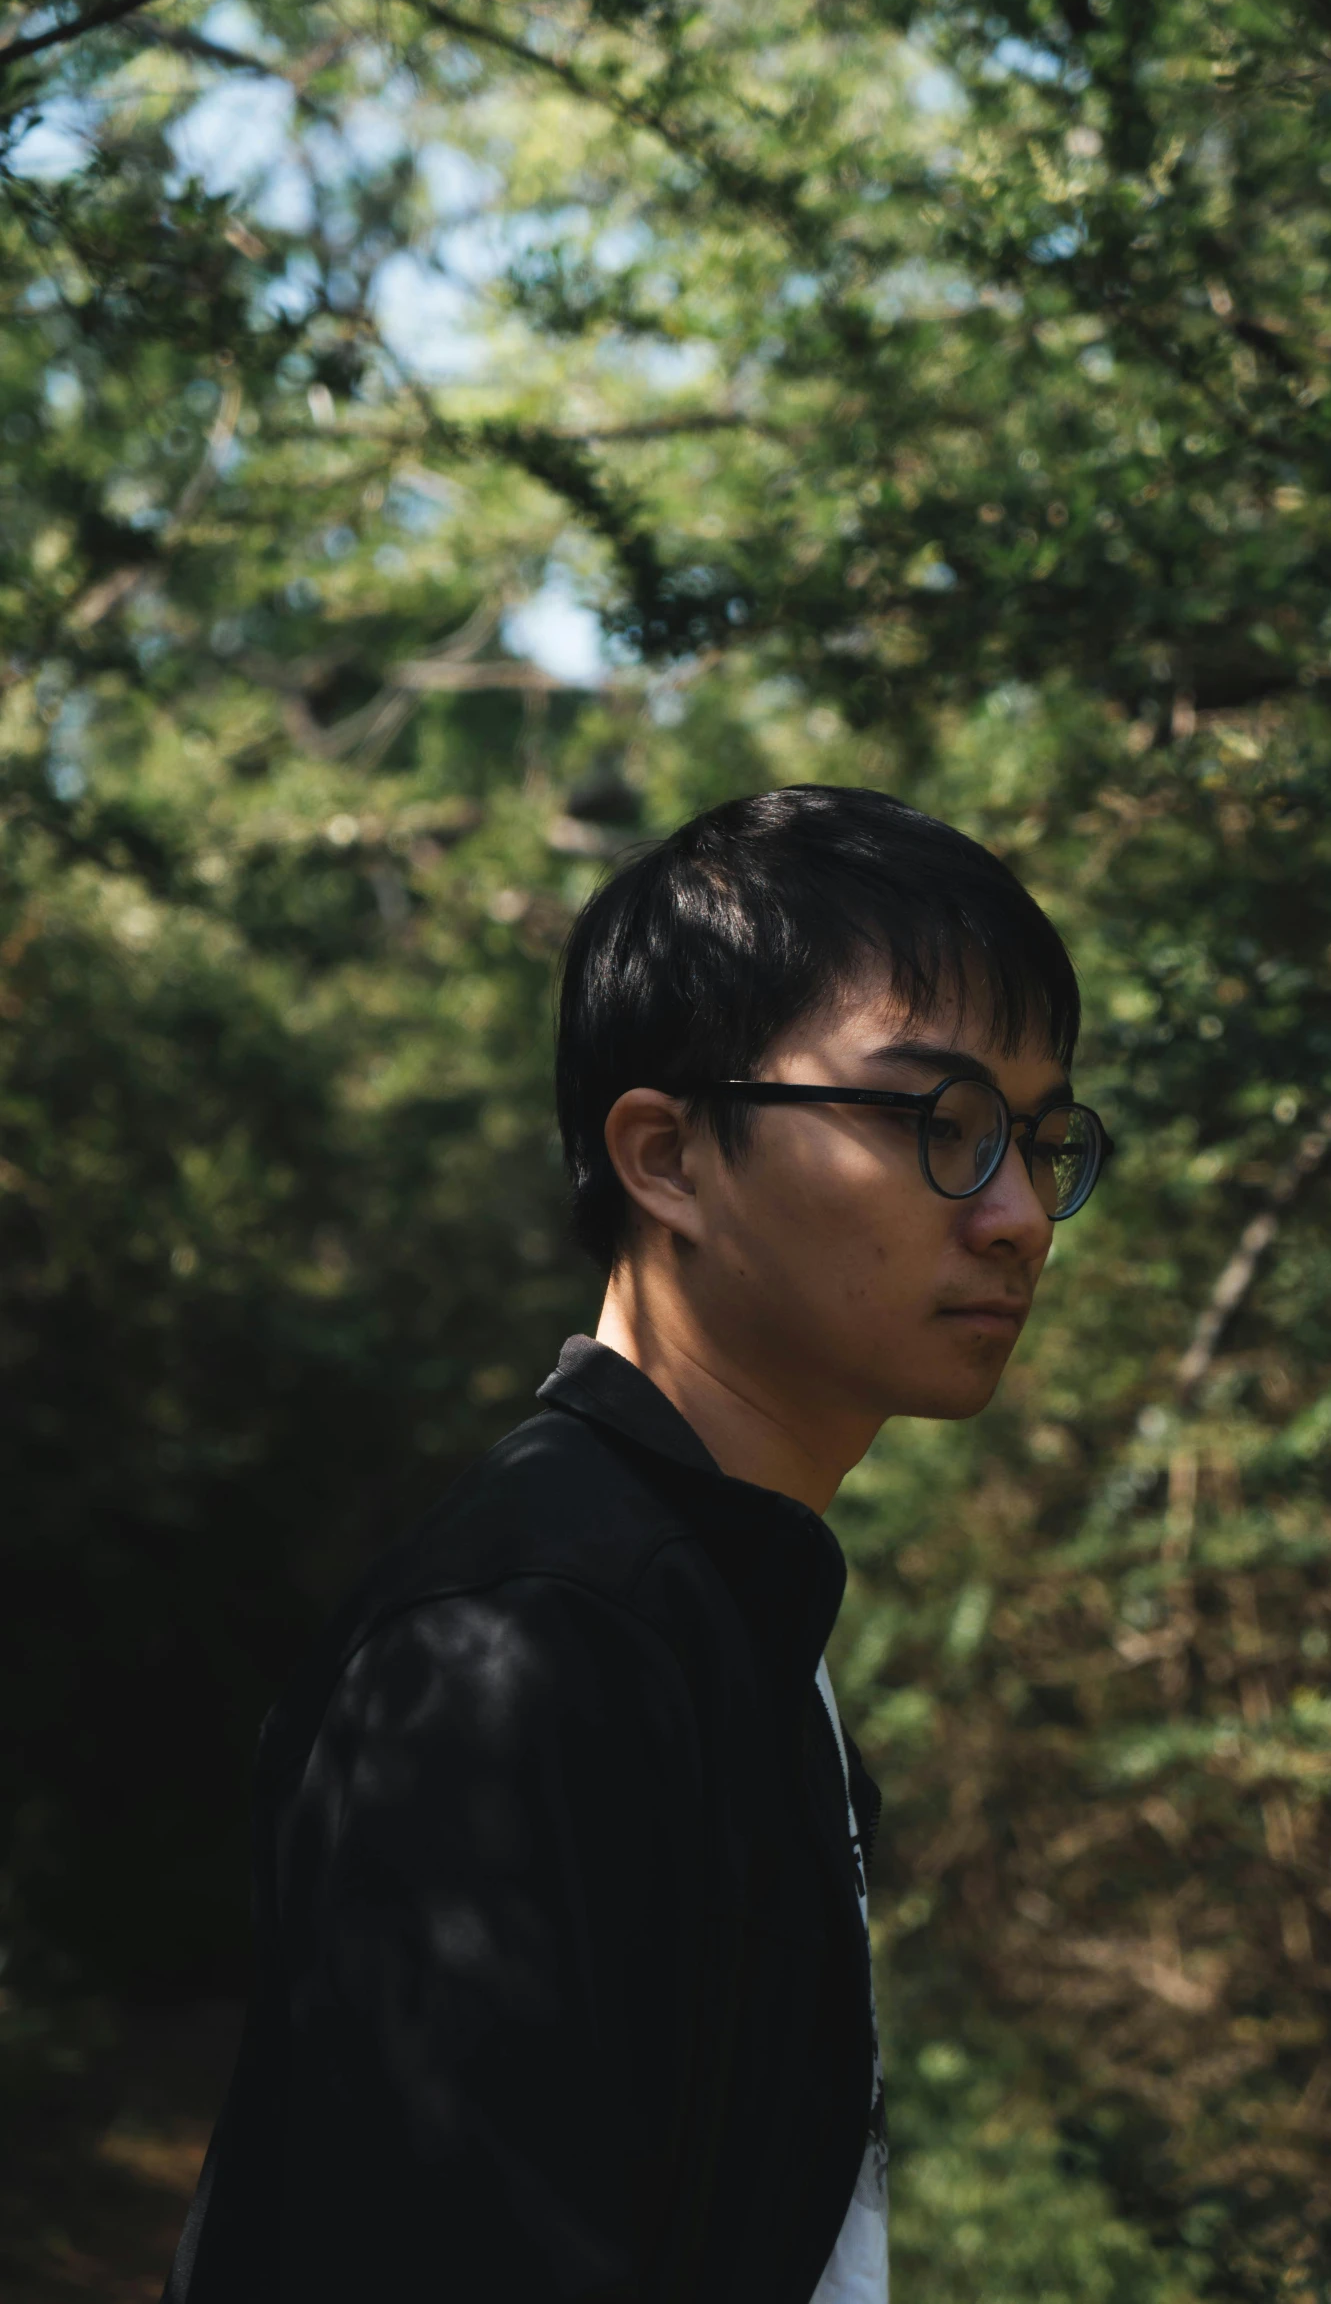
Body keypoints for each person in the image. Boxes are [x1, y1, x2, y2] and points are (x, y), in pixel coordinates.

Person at [165, 784, 1110, 2304]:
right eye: (939, 1124)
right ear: (667, 1157)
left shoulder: (721, 1603)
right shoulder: (528, 1643)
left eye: (1043, 1138)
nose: (1016, 1214)